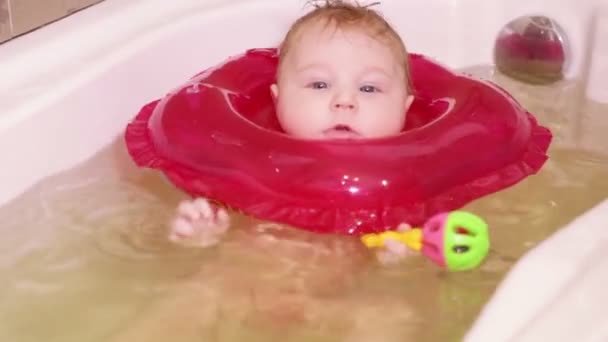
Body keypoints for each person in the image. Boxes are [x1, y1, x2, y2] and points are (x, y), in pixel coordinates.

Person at [169, 0, 416, 263]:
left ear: (404, 108)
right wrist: (206, 230)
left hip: (345, 297)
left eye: (368, 88)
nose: (345, 100)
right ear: (278, 100)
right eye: (319, 84)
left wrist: (400, 258)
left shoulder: (411, 184)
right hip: (244, 280)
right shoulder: (252, 164)